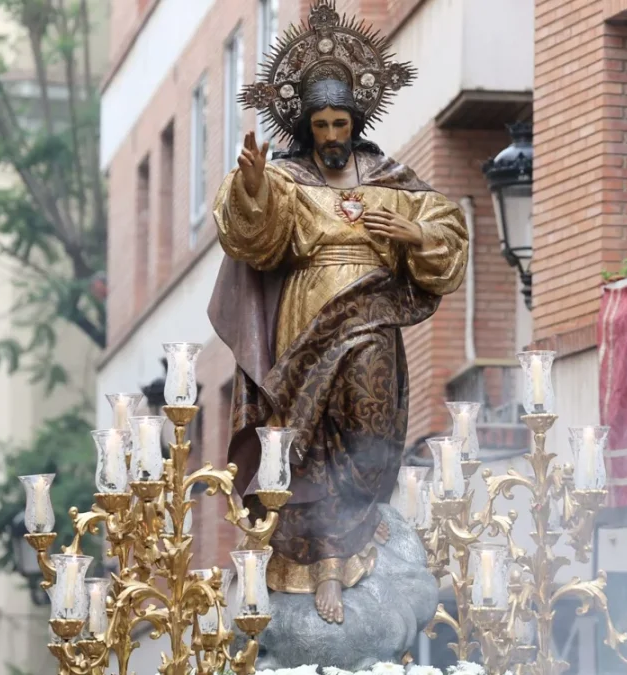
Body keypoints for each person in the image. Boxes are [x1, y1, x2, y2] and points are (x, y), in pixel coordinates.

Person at [206, 0, 468, 626]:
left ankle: (358, 538)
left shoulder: (389, 176)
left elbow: (450, 236)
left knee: (368, 435)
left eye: (339, 123)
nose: (329, 136)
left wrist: (407, 232)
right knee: (308, 439)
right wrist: (251, 188)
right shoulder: (290, 179)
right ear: (307, 126)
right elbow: (257, 238)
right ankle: (321, 558)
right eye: (319, 124)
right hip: (307, 317)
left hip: (373, 319)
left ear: (355, 120)